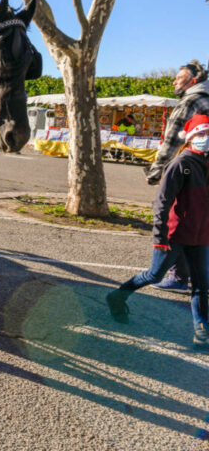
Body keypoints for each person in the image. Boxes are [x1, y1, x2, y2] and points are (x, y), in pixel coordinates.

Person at [107, 113, 209, 349]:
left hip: (201, 236)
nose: (206, 138)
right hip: (174, 235)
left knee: (202, 285)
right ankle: (117, 297)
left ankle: (202, 329)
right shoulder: (180, 164)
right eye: (202, 133)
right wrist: (160, 237)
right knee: (154, 275)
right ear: (192, 137)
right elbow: (162, 203)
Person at [145, 60, 209, 291]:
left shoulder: (190, 101)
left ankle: (179, 277)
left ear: (192, 81)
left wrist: (155, 170)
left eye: (179, 77)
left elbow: (172, 141)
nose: (174, 81)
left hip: (187, 167)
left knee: (178, 216)